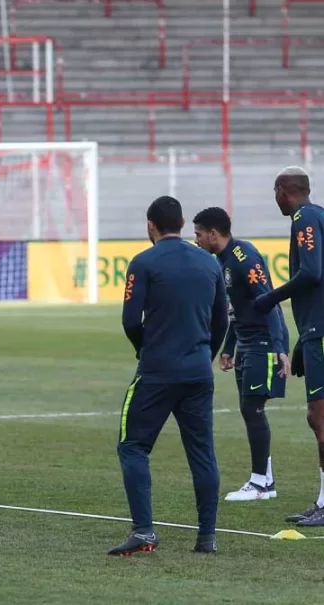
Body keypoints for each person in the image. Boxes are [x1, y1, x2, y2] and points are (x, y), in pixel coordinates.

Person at [111, 196, 229, 556]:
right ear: (180, 223)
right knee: (202, 453)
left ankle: (145, 531)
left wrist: (145, 349)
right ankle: (207, 537)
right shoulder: (208, 263)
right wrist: (202, 357)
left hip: (158, 371)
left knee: (132, 446)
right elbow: (221, 321)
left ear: (151, 225)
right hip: (197, 373)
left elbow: (131, 320)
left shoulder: (143, 262)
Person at [193, 207, 289, 502]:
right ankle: (265, 480)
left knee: (252, 408)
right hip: (246, 343)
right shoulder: (221, 261)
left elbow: (269, 301)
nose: (196, 240)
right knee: (249, 410)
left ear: (213, 234)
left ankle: (260, 483)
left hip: (263, 343)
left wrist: (279, 348)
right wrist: (229, 348)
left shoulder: (244, 256)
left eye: (198, 234)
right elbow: (237, 308)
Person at [253, 166, 324, 527]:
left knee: (319, 416)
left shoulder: (304, 218)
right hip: (316, 329)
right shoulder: (318, 216)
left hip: (320, 330)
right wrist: (304, 337)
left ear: (283, 190)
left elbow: (311, 272)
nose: (275, 199)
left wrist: (270, 298)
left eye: (275, 192)